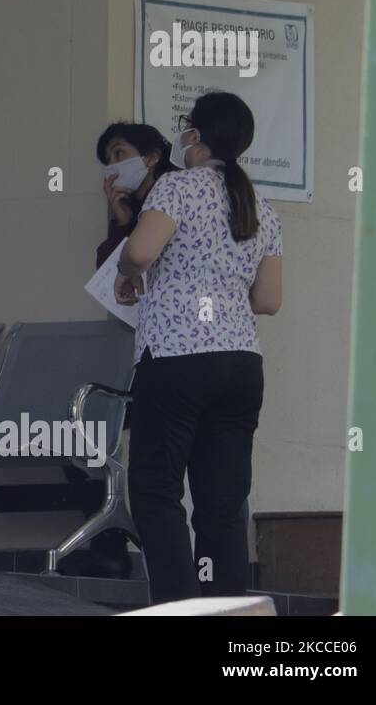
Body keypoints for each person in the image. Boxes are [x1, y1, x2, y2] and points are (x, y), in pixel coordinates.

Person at [114, 92, 283, 604]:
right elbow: (269, 301)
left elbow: (141, 251)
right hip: (241, 366)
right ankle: (226, 611)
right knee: (222, 504)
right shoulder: (261, 207)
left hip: (177, 360)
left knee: (156, 491)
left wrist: (126, 276)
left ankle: (179, 609)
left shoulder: (178, 188)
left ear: (194, 135)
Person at [95, 122, 177, 269]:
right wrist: (123, 224)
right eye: (108, 161)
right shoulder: (128, 208)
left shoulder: (173, 197)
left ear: (152, 158)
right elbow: (106, 280)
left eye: (118, 153)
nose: (111, 166)